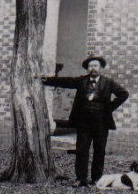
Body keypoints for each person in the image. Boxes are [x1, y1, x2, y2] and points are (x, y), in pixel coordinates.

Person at [42, 55, 129, 188]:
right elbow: (66, 81)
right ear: (87, 68)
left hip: (101, 124)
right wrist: (47, 80)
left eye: (95, 66)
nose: (93, 69)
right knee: (81, 150)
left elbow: (124, 93)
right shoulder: (82, 81)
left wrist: (109, 108)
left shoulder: (108, 82)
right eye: (90, 66)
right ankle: (81, 178)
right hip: (84, 123)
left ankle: (97, 179)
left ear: (101, 68)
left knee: (99, 151)